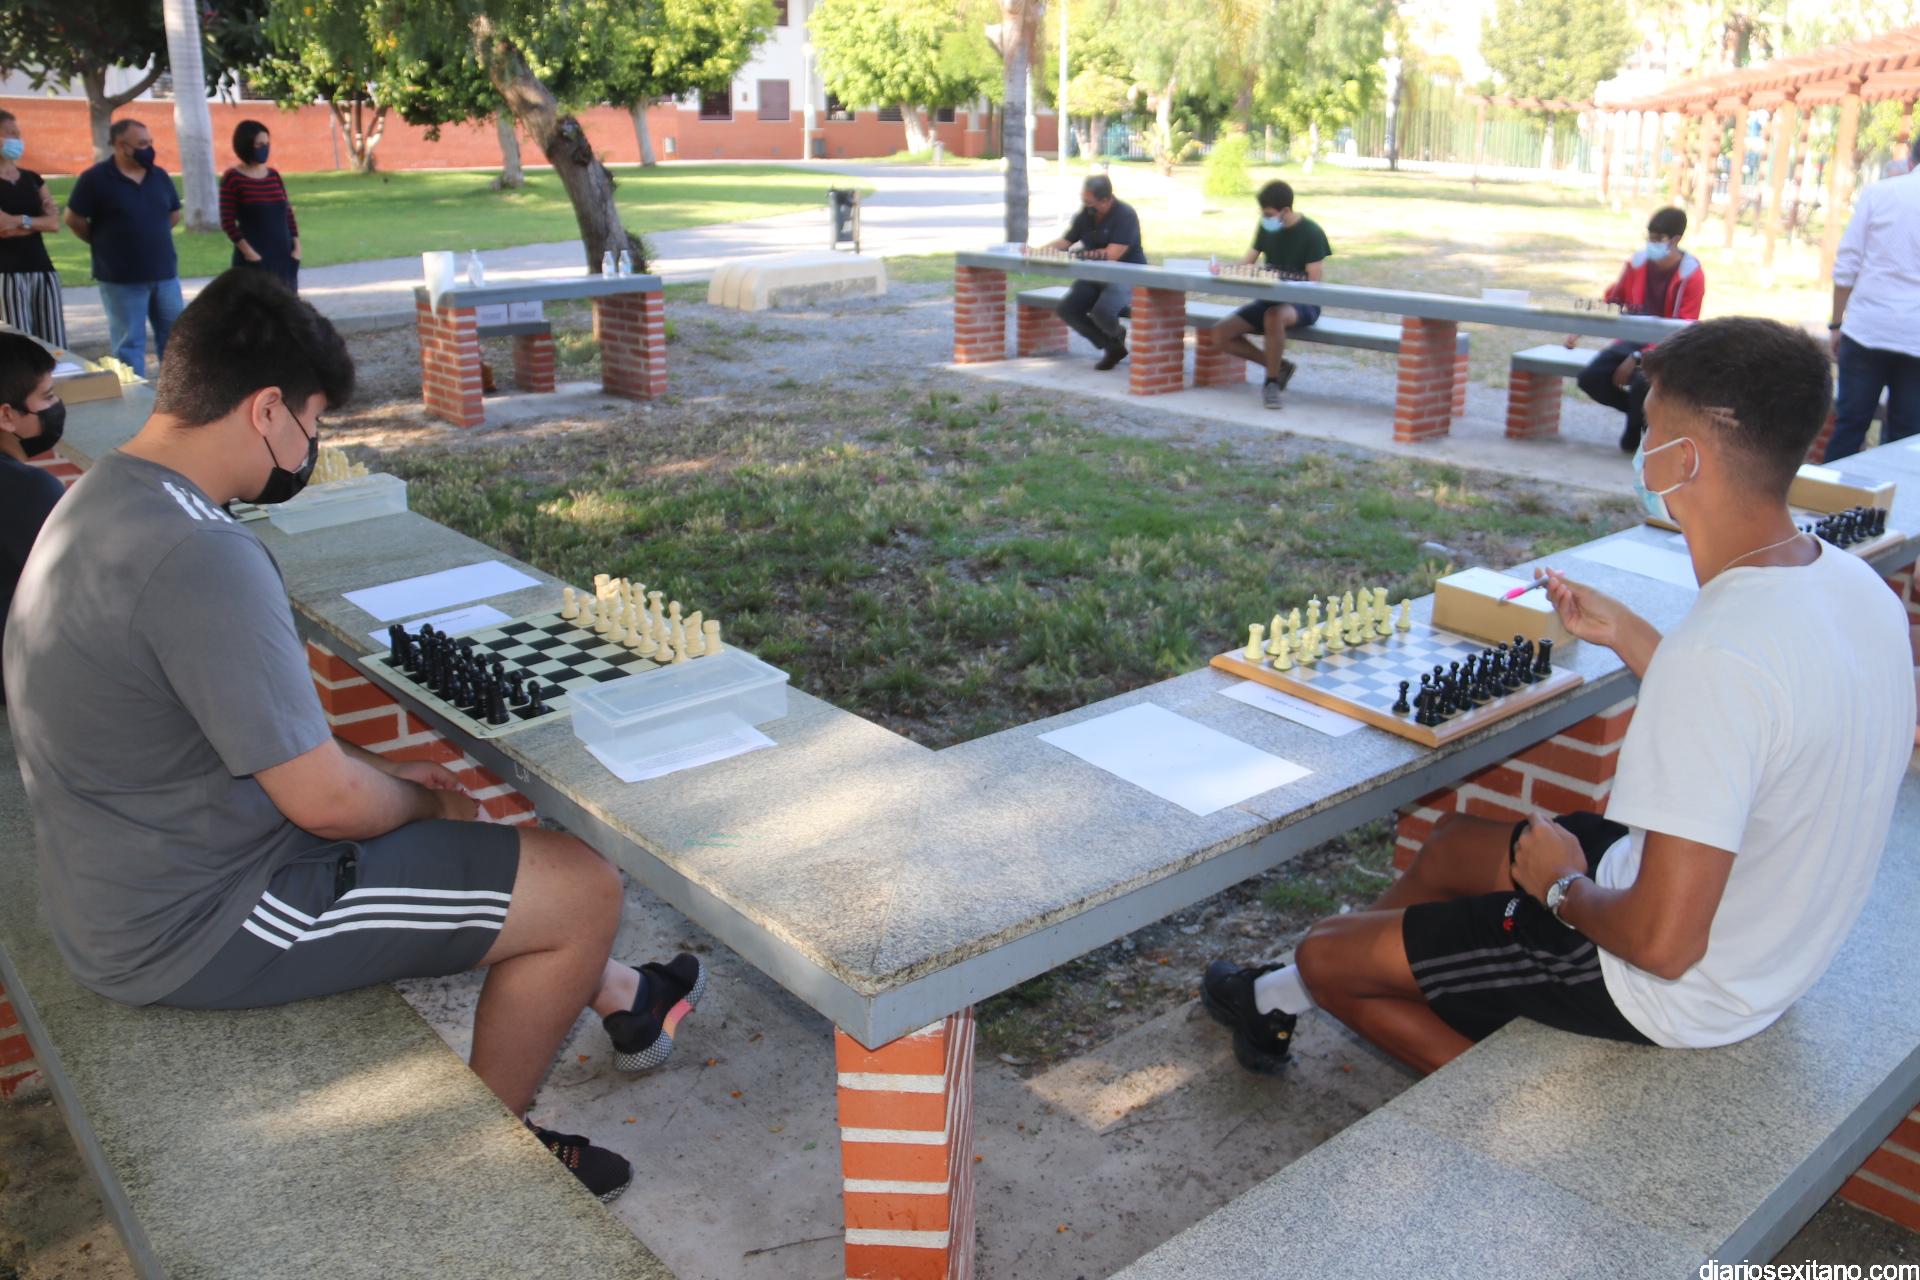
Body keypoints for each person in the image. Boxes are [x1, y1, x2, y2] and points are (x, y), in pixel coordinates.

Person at [3, 270, 705, 1201]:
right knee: (581, 888)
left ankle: (629, 999)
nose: (311, 446)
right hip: (195, 919)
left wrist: (381, 772)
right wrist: (425, 800)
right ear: (266, 410)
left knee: (487, 854)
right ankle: (492, 1168)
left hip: (130, 872)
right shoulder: (200, 554)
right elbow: (330, 805)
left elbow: (239, 734)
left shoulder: (105, 496)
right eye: (313, 421)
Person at [1199, 317, 1911, 1077]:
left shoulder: (1719, 653)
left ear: (1684, 459)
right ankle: (1290, 992)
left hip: (1664, 984)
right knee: (1452, 846)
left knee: (1325, 957)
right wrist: (1627, 631)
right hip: (1767, 943)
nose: (1642, 443)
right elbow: (1761, 715)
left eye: (1650, 424)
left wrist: (1561, 887)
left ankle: (1504, 1114)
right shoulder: (1851, 585)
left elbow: (1664, 945)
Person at [1564, 207, 1705, 454]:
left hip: (1669, 347)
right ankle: (1643, 419)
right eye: (1650, 237)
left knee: (1642, 382)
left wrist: (1639, 357)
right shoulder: (1637, 263)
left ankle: (1634, 440)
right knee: (1590, 378)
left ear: (1676, 239)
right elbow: (1614, 299)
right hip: (1632, 339)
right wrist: (1581, 328)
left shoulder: (1691, 275)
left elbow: (1683, 328)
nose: (1652, 243)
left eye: (1658, 239)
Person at [1824, 139, 1920, 462]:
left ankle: (1830, 492)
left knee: (1849, 426)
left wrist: (1836, 323)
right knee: (1906, 438)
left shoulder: (1879, 194)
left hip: (1867, 328)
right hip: (1916, 338)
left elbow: (1847, 265)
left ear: (1911, 160)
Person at [64, 119, 184, 376]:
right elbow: (73, 219)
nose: (148, 149)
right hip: (121, 279)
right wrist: (103, 241)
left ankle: (174, 393)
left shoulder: (159, 176)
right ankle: (134, 396)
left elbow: (173, 214)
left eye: (150, 143)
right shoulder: (95, 179)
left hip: (165, 275)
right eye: (142, 144)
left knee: (176, 339)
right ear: (121, 145)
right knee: (129, 344)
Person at [1206, 180, 1331, 410]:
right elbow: (1247, 262)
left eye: (1269, 214)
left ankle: (1271, 383)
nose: (1265, 218)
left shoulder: (1312, 232)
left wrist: (1280, 278)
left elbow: (1313, 280)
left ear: (1286, 210)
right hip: (1269, 300)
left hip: (1303, 304)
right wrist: (1223, 269)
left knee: (1273, 316)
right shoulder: (1265, 228)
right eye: (1263, 214)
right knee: (1219, 333)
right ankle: (1279, 366)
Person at [0, 331, 66, 703]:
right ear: (7, 415)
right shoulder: (29, 489)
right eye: (48, 396)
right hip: (19, 675)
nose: (56, 406)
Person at [1038, 174, 1146, 371]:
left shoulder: (1125, 215)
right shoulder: (1086, 213)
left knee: (1101, 312)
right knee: (1067, 308)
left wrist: (1079, 255)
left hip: (1125, 275)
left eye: (1090, 202)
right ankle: (1113, 345)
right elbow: (1066, 241)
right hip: (1095, 274)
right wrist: (1038, 251)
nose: (1086, 206)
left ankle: (1114, 339)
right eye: (1084, 200)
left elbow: (1113, 254)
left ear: (1106, 199)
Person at [0, 110, 67, 348]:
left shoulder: (32, 179)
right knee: (19, 345)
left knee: (54, 344)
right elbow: (3, 228)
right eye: (10, 134)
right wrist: (36, 222)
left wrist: (18, 220)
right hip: (6, 274)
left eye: (17, 134)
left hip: (42, 269)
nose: (17, 139)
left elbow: (54, 224)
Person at [220, 120, 301, 292]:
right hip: (254, 262)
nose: (265, 148)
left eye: (267, 144)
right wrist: (251, 255)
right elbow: (228, 223)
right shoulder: (233, 178)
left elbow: (287, 213)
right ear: (246, 145)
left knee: (287, 306)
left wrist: (296, 247)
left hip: (284, 260)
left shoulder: (273, 176)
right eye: (259, 144)